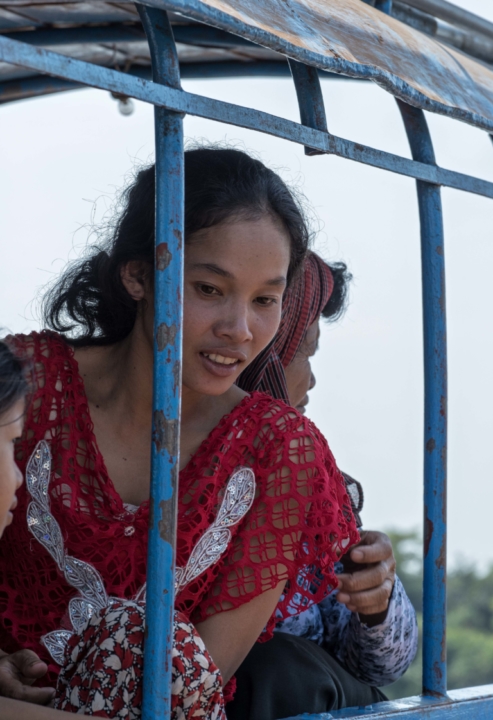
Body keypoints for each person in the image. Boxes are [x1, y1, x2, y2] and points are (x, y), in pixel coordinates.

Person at [0, 148, 358, 718]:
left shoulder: (280, 452)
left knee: (154, 646)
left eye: (265, 300)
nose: (239, 329)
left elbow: (190, 686)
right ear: (138, 275)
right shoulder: (26, 384)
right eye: (210, 289)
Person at [227, 253, 418, 719]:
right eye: (306, 353)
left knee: (281, 669)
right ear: (263, 358)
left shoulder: (309, 485)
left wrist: (376, 601)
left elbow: (382, 667)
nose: (312, 380)